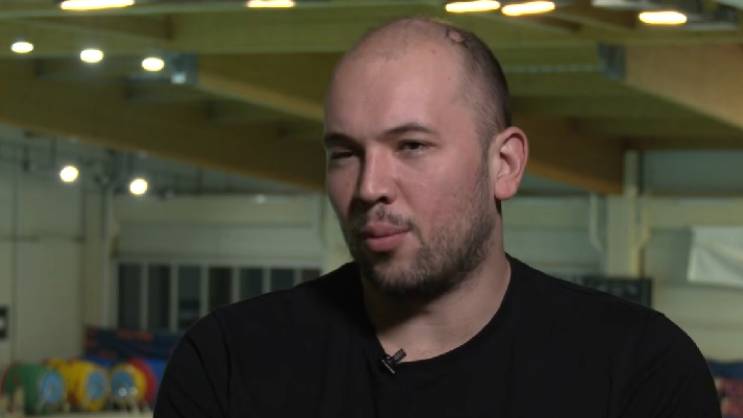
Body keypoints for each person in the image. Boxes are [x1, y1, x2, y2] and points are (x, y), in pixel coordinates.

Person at [154, 17, 720, 418]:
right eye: (345, 153)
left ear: (504, 165)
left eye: (412, 146)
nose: (369, 187)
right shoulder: (228, 363)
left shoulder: (639, 372)